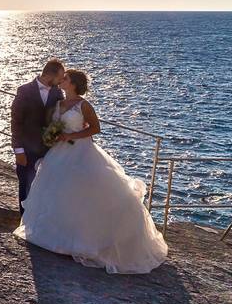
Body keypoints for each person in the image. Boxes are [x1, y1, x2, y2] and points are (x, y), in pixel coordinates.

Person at [14, 70, 168, 274]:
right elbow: (52, 125)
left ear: (74, 84)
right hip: (59, 152)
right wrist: (54, 135)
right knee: (60, 192)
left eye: (66, 79)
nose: (62, 80)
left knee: (83, 193)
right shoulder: (59, 103)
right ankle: (61, 237)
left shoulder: (83, 105)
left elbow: (95, 128)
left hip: (81, 151)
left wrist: (73, 135)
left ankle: (83, 240)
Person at [10, 59, 65, 215]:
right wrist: (18, 150)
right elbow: (16, 121)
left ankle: (40, 222)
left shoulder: (57, 92)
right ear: (50, 75)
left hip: (48, 150)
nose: (61, 81)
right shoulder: (24, 91)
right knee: (26, 186)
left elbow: (59, 118)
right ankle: (24, 222)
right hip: (26, 149)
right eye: (60, 78)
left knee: (46, 187)